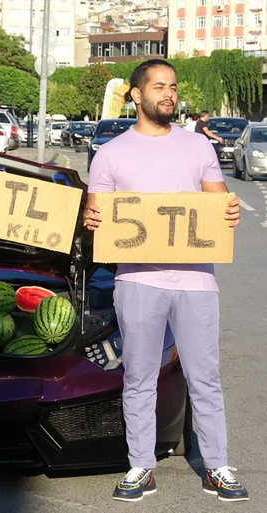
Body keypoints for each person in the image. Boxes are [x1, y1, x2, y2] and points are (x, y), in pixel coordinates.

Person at [83, 59, 246, 503]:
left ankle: (217, 467)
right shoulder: (111, 154)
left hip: (196, 282)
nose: (168, 94)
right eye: (159, 86)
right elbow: (96, 216)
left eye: (173, 86)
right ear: (137, 95)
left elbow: (219, 206)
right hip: (137, 282)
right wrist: (90, 216)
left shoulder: (198, 148)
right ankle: (141, 467)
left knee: (204, 377)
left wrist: (229, 210)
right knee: (139, 376)